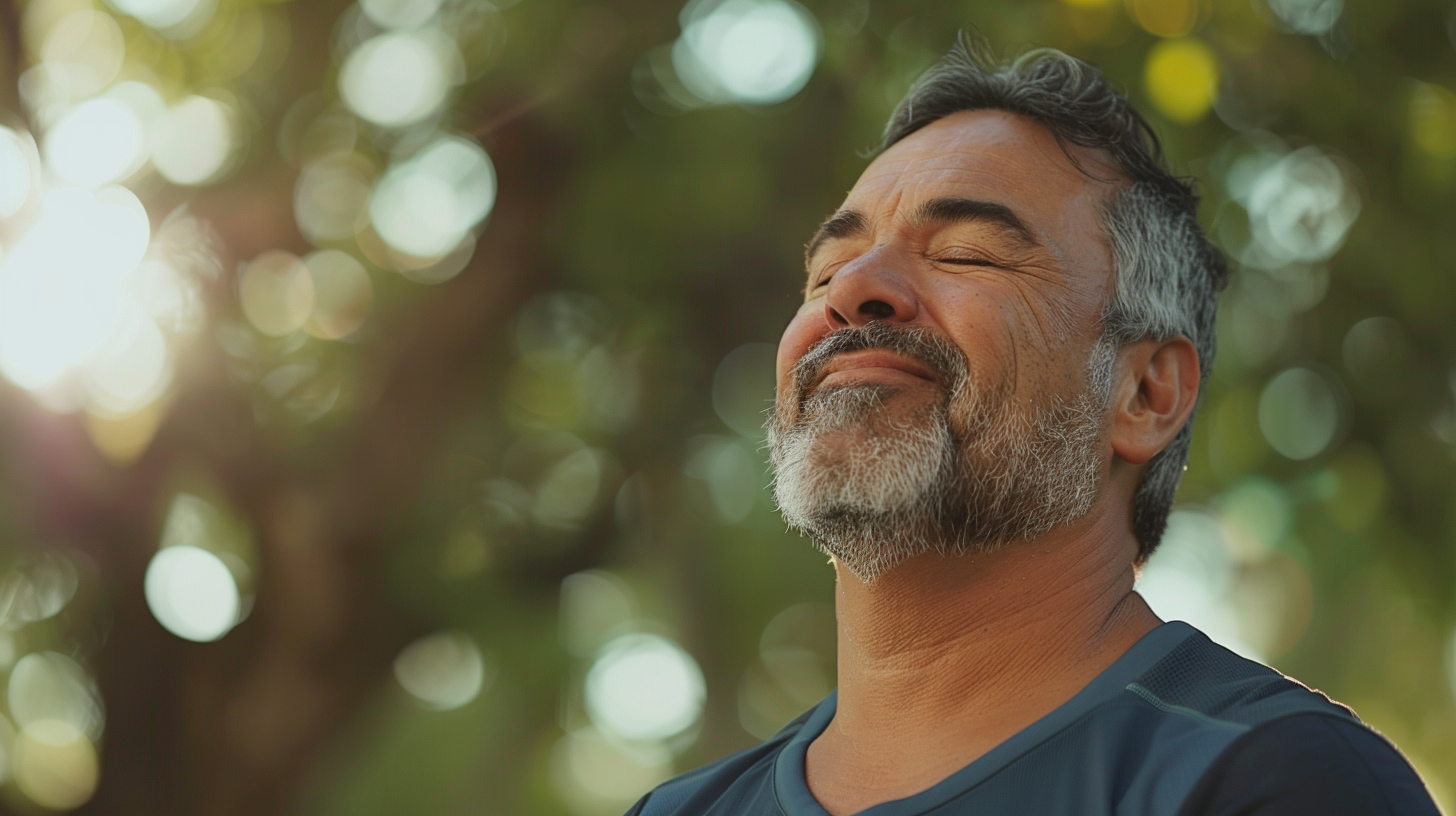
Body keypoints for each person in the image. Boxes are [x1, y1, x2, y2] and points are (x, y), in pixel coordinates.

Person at [625, 36, 1443, 816]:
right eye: (827, 270)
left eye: (966, 254)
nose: (852, 291)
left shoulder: (1279, 779)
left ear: (1145, 394)